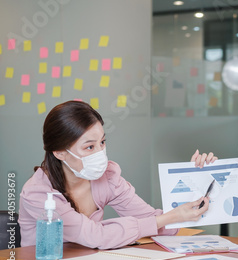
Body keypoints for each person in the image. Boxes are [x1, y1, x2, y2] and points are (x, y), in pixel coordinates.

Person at [18, 101, 217, 249]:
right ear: (60, 153)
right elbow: (95, 236)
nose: (99, 153)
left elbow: (154, 220)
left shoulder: (107, 177)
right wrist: (163, 220)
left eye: (102, 143)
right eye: (89, 147)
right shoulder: (38, 193)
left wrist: (194, 182)